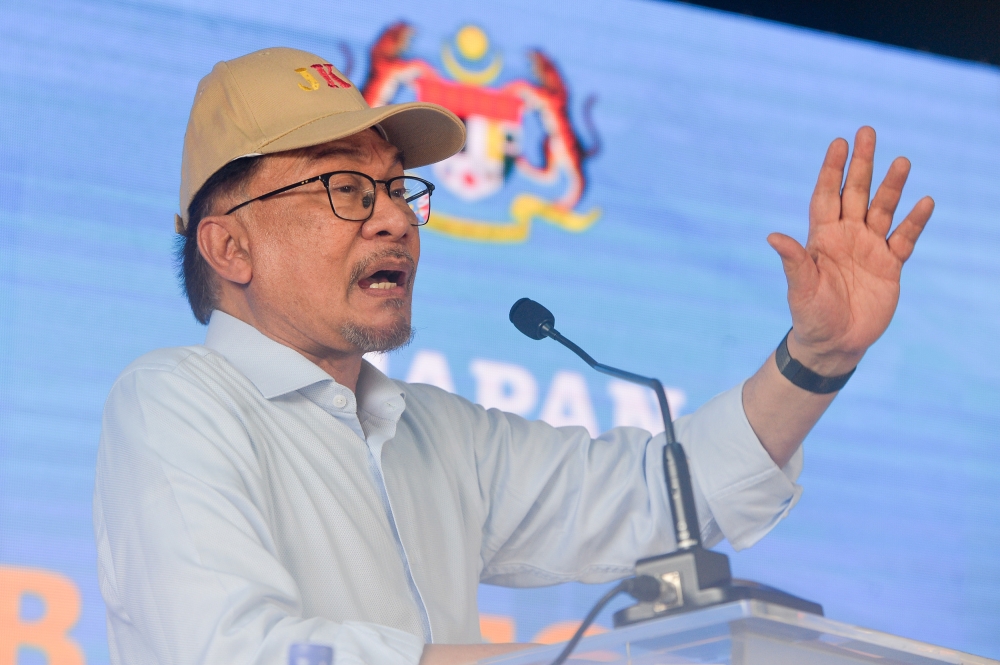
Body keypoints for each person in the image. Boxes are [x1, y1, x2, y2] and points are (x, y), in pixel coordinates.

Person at [92, 47, 933, 665]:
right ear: (230, 246)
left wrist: (818, 354)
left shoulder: (434, 434)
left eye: (397, 188)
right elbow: (233, 650)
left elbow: (663, 499)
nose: (394, 218)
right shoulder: (176, 401)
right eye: (346, 188)